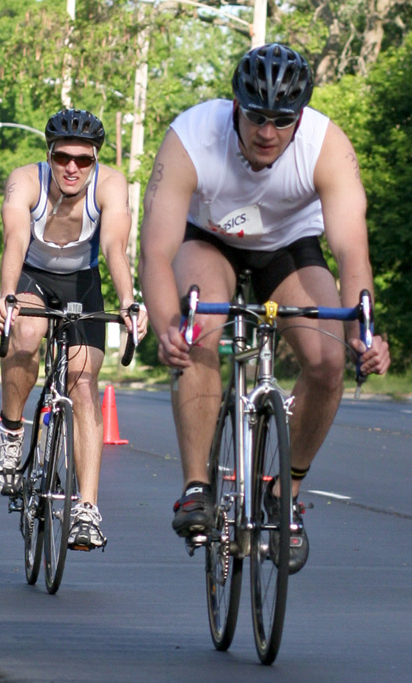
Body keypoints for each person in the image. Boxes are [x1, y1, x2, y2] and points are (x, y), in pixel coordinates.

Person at [139, 43, 391, 573]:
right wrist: (167, 326)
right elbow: (156, 250)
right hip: (210, 238)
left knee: (327, 363)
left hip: (288, 247)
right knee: (199, 331)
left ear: (300, 117)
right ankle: (197, 488)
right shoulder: (191, 137)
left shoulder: (327, 146)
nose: (267, 133)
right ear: (235, 106)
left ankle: (284, 495)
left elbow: (351, 252)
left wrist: (363, 330)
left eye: (283, 120)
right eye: (256, 117)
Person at [0, 108, 148, 552]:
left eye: (83, 159)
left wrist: (128, 302)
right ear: (49, 155)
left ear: (95, 159)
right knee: (25, 333)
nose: (72, 168)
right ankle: (11, 433)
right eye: (62, 158)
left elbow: (116, 248)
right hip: (34, 277)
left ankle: (87, 510)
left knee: (82, 384)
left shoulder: (111, 185)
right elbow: (16, 240)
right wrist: (7, 294)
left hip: (83, 281)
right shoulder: (26, 182)